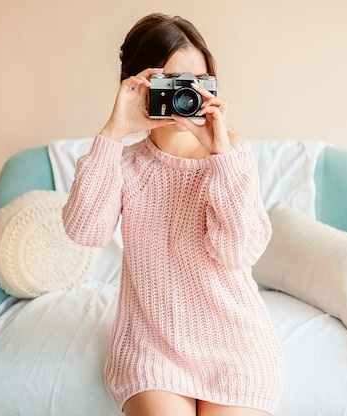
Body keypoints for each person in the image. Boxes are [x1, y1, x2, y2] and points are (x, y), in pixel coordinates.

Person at [62, 13, 284, 416]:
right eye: (172, 83)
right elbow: (85, 230)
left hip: (236, 345)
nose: (186, 94)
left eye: (197, 82)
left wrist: (220, 155)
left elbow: (238, 251)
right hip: (153, 347)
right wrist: (114, 131)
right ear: (138, 85)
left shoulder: (231, 156)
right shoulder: (125, 163)